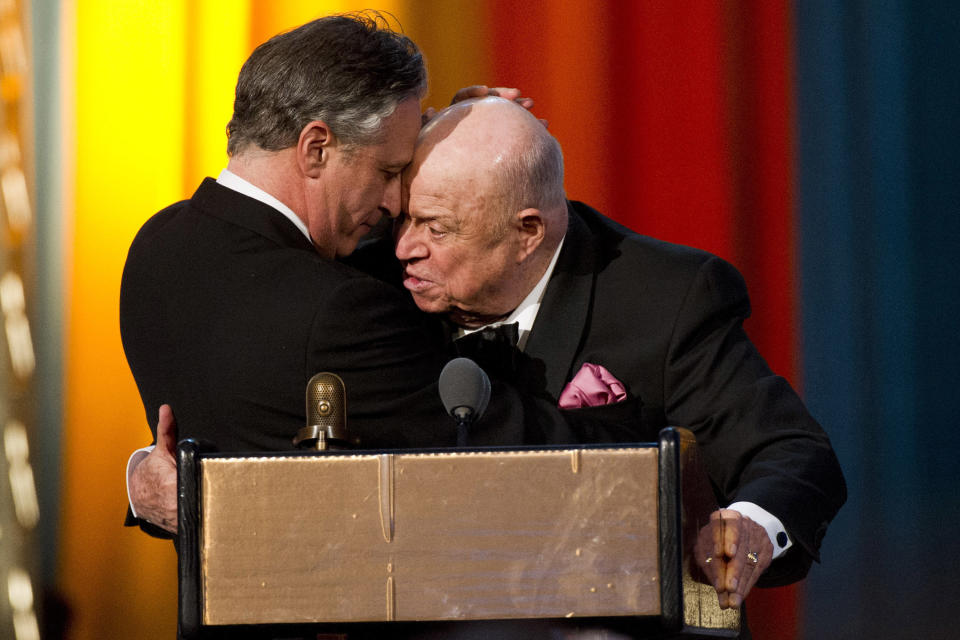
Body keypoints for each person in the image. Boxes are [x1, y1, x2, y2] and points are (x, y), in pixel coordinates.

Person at [121, 14, 573, 537]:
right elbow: (514, 453)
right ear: (316, 148)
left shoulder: (156, 244)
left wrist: (460, 154)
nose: (393, 202)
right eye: (388, 171)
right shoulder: (337, 312)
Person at [391, 96, 846, 614]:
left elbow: (791, 452)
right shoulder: (372, 286)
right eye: (402, 217)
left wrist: (749, 523)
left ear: (527, 233)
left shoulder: (668, 298)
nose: (405, 246)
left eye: (436, 227)